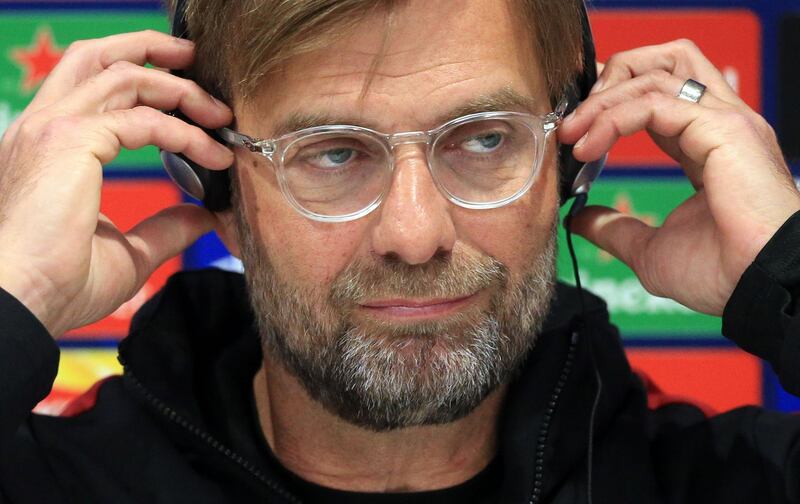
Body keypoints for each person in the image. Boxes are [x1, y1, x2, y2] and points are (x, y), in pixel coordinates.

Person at [1, 0, 800, 502]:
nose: (415, 236)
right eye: (333, 153)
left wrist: (786, 278)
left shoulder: (727, 483)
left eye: (484, 139)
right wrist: (18, 292)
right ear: (221, 191)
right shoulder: (54, 482)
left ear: (571, 165)